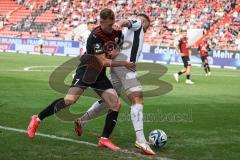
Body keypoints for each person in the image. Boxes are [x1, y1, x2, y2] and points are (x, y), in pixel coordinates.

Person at [27, 8, 135, 151]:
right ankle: (37, 118)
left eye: (113, 24)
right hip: (86, 70)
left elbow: (116, 48)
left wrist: (121, 24)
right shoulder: (95, 36)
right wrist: (124, 63)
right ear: (101, 22)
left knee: (115, 104)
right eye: (108, 25)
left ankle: (104, 139)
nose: (110, 28)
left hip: (99, 74)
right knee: (70, 100)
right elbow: (103, 61)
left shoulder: (116, 32)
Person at [74, 14, 155, 155]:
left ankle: (82, 120)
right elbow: (127, 22)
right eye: (148, 22)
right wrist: (120, 23)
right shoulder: (138, 24)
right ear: (144, 21)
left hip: (116, 66)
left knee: (111, 100)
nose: (148, 25)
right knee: (137, 97)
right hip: (124, 65)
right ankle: (141, 140)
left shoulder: (128, 34)